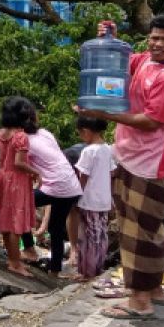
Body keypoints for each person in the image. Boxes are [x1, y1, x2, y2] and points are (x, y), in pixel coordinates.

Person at [76, 13, 164, 320]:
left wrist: (105, 114)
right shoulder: (144, 62)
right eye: (154, 37)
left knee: (138, 231)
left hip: (150, 162)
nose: (157, 44)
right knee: (148, 226)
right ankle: (153, 288)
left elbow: (152, 121)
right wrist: (107, 36)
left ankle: (140, 301)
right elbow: (116, 63)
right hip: (129, 155)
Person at [13, 97, 83, 277]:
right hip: (72, 186)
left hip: (57, 187)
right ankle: (55, 270)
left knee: (18, 205)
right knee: (56, 227)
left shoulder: (23, 140)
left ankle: (29, 248)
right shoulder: (45, 133)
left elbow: (21, 166)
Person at [0, 97, 40, 277]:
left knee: (6, 219)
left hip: (3, 176)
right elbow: (19, 162)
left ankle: (12, 259)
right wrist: (35, 172)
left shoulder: (3, 132)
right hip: (17, 180)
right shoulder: (21, 136)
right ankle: (15, 262)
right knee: (16, 222)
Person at [72, 115, 116, 281]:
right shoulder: (107, 149)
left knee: (89, 237)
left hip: (89, 200)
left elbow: (83, 176)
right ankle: (93, 270)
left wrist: (77, 195)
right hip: (103, 200)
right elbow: (112, 174)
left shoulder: (88, 151)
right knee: (99, 236)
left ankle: (88, 272)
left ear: (86, 131)